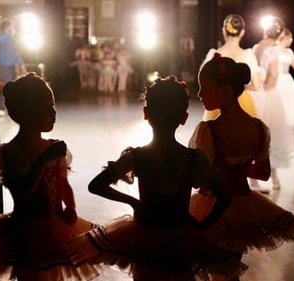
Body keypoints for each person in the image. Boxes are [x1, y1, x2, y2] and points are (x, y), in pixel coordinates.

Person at [74, 76, 247, 281]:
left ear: (146, 113)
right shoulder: (192, 159)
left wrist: (133, 202)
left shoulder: (137, 157)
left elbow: (96, 185)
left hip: (146, 234)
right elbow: (224, 196)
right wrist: (202, 226)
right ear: (183, 118)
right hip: (181, 235)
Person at [188, 54, 294, 277]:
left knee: (214, 263)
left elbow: (199, 177)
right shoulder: (258, 128)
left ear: (225, 90)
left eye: (204, 88)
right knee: (232, 262)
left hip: (212, 204)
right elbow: (264, 173)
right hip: (243, 204)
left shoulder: (208, 131)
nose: (199, 94)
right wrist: (237, 171)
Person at [0, 72, 101, 281]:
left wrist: (71, 207)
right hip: (26, 229)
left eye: (53, 105)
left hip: (56, 225)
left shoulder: (53, 147)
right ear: (26, 112)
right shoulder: (11, 153)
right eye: (47, 107)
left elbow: (63, 183)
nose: (53, 112)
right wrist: (42, 161)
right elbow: (22, 194)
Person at [250, 17, 294, 191]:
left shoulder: (256, 47)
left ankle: (256, 178)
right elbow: (274, 75)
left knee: (258, 136)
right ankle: (273, 178)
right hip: (268, 95)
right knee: (271, 136)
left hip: (256, 93)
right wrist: (267, 88)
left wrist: (259, 87)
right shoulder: (272, 50)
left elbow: (254, 70)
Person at [200, 14, 260, 122]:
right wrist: (240, 86)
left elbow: (204, 79)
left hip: (219, 101)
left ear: (224, 30)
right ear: (242, 32)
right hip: (242, 102)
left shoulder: (213, 54)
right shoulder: (248, 54)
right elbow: (256, 86)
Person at [0, 18, 26, 114]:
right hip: (5, 65)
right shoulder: (3, 37)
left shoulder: (10, 38)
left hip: (10, 65)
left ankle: (9, 108)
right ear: (7, 27)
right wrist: (10, 30)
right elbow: (3, 42)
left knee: (12, 86)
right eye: (11, 26)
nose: (13, 28)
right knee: (7, 86)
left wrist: (21, 64)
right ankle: (0, 107)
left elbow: (15, 53)